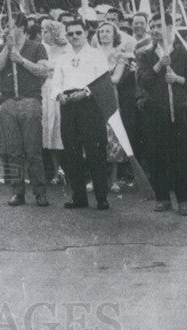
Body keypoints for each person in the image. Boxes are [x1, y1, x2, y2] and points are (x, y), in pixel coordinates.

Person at [50, 17, 112, 210]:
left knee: (95, 151)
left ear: (86, 33)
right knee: (72, 152)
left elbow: (103, 81)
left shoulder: (96, 55)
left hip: (89, 104)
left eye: (78, 32)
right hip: (68, 105)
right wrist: (59, 95)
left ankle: (102, 197)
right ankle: (79, 197)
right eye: (70, 33)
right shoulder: (63, 58)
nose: (74, 36)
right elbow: (55, 83)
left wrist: (85, 92)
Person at [136, 13, 187, 215]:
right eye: (152, 25)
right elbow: (142, 81)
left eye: (159, 25)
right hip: (154, 109)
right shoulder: (145, 54)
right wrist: (159, 65)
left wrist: (177, 78)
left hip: (177, 108)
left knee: (180, 154)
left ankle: (184, 200)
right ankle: (162, 197)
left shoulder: (183, 53)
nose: (154, 29)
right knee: (156, 154)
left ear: (170, 27)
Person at [0, 15, 50, 206]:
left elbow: (43, 71)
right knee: (13, 151)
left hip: (30, 101)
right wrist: (8, 50)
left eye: (12, 26)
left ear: (23, 27)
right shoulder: (2, 48)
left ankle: (40, 192)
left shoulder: (37, 47)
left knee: (33, 150)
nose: (8, 30)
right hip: (8, 102)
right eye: (5, 27)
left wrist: (21, 60)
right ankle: (18, 192)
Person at [95, 21, 129, 193]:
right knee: (94, 134)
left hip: (110, 96)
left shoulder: (119, 55)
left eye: (108, 31)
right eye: (101, 32)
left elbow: (116, 78)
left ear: (114, 34)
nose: (104, 34)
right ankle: (95, 178)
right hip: (92, 97)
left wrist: (96, 76)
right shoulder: (91, 53)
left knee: (112, 135)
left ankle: (114, 179)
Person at [40, 19, 70, 184]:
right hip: (46, 89)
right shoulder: (41, 48)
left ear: (54, 32)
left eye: (46, 31)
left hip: (63, 88)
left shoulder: (67, 48)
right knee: (50, 128)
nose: (43, 34)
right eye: (42, 31)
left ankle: (69, 169)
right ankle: (56, 169)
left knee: (62, 126)